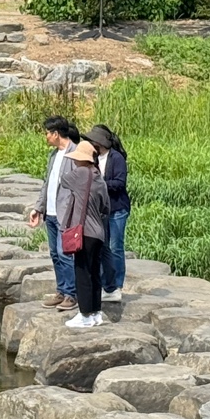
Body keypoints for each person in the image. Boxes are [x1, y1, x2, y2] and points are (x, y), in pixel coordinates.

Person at [27, 116, 80, 312]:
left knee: (65, 253)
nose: (46, 137)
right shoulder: (53, 155)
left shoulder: (76, 153)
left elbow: (80, 187)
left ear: (56, 134)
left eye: (48, 133)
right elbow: (47, 184)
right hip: (50, 213)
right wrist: (38, 208)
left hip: (66, 213)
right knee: (54, 254)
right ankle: (61, 290)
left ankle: (71, 294)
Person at [57, 140, 110, 328]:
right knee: (95, 273)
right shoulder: (99, 178)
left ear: (81, 159)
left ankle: (85, 314)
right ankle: (96, 312)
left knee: (82, 273)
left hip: (84, 233)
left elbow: (63, 181)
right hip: (98, 233)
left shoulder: (80, 174)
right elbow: (106, 207)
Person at [85, 125, 130, 303]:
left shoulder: (116, 158)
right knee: (103, 248)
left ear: (100, 142)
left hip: (117, 209)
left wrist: (99, 183)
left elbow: (120, 183)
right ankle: (106, 284)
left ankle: (117, 286)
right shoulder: (94, 158)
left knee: (116, 247)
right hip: (101, 210)